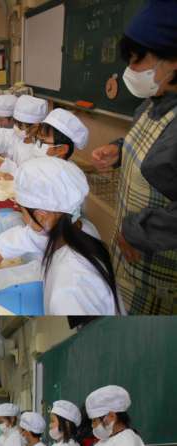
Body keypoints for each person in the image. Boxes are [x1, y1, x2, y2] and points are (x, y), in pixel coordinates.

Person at [91, 1, 177, 315]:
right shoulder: (153, 102)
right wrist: (120, 149)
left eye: (138, 60)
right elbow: (156, 153)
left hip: (162, 274)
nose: (130, 71)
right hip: (130, 260)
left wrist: (140, 230)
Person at [0, 157, 122, 315]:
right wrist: (2, 248)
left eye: (21, 210)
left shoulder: (68, 291)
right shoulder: (79, 227)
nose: (22, 216)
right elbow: (37, 236)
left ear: (41, 216)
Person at [0, 94, 48, 165]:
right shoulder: (16, 136)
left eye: (20, 125)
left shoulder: (43, 151)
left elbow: (25, 172)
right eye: (15, 123)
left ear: (35, 126)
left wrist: (3, 165)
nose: (16, 127)